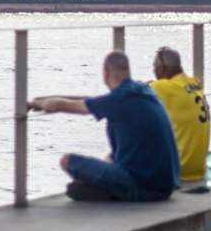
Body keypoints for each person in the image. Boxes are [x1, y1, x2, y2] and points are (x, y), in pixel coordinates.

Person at [28, 50, 179, 202]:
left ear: (106, 73)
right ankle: (105, 188)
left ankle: (109, 190)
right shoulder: (142, 90)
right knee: (110, 157)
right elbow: (91, 100)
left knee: (68, 162)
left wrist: (35, 103)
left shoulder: (117, 100)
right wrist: (48, 97)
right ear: (128, 70)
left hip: (144, 186)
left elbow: (58, 105)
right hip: (166, 185)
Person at [148, 46, 211, 184]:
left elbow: (132, 91)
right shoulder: (195, 83)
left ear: (162, 69)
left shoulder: (163, 87)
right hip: (199, 170)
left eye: (154, 67)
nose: (153, 71)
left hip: (178, 170)